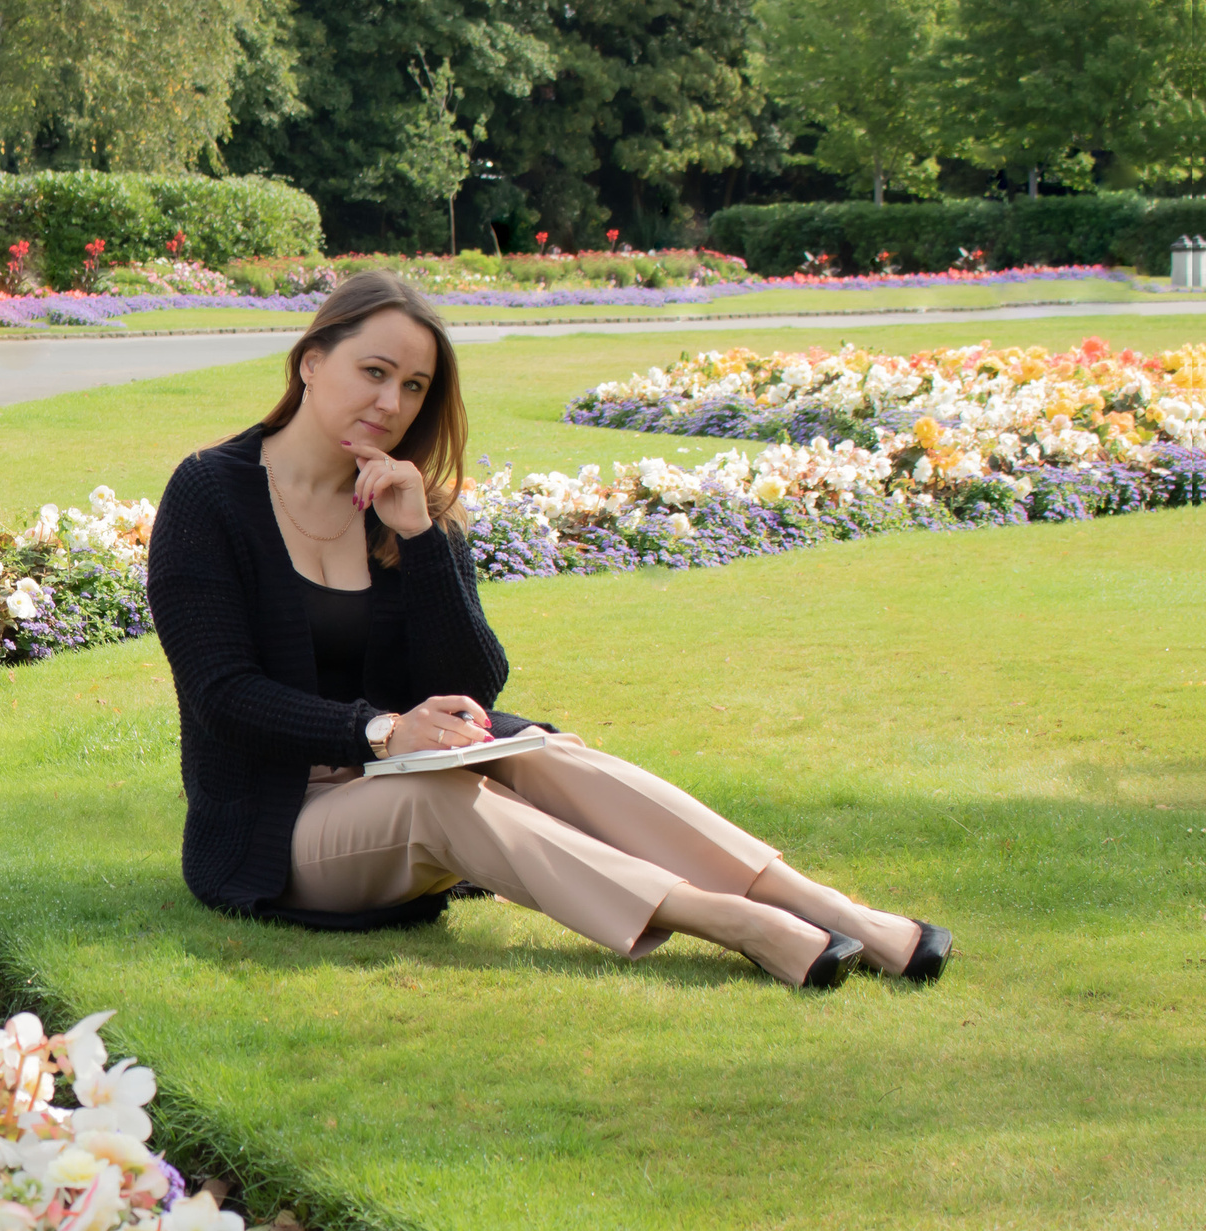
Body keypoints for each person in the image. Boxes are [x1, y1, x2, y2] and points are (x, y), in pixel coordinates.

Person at [144, 272, 950, 988]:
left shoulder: (404, 498)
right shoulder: (209, 496)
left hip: (399, 777)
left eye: (416, 386)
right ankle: (732, 922)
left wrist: (421, 541)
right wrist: (383, 731)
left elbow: (475, 681)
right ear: (311, 360)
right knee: (436, 793)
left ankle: (829, 908)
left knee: (546, 752)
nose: (392, 404)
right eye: (374, 372)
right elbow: (222, 694)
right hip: (280, 827)